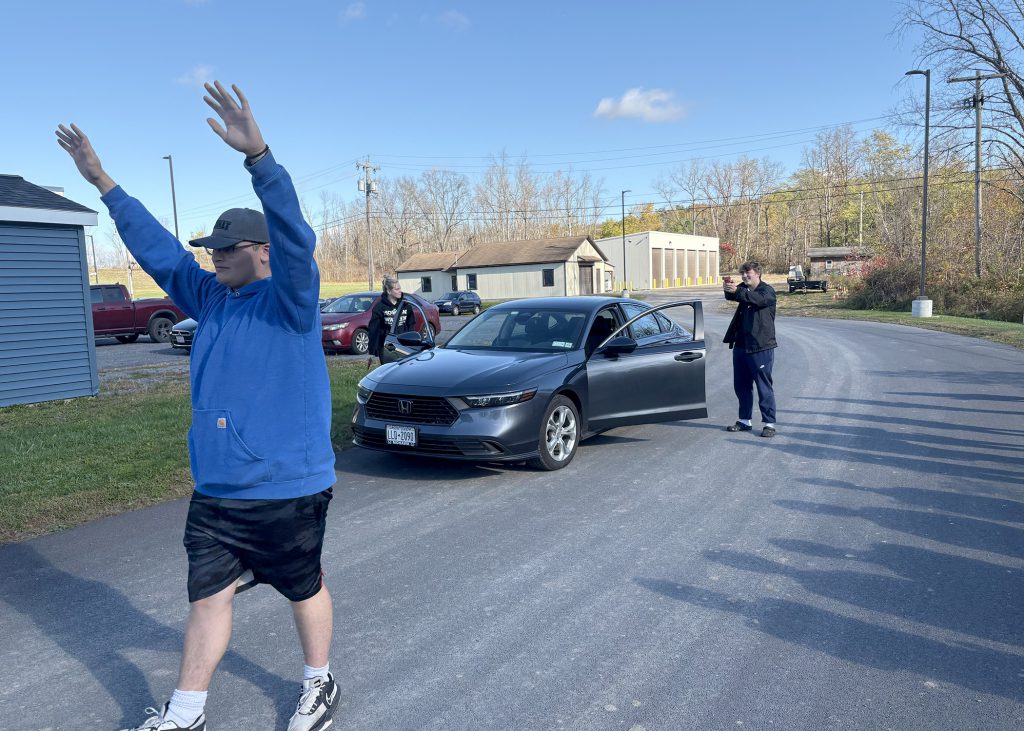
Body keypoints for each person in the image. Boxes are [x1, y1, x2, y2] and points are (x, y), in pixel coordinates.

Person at [57, 82, 338, 731]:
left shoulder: (290, 301)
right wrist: (103, 182)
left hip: (286, 487)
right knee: (208, 598)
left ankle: (318, 682)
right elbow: (158, 249)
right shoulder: (211, 296)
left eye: (227, 248)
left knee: (303, 587)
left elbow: (295, 236)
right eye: (211, 247)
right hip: (216, 489)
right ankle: (186, 713)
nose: (214, 256)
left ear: (262, 251)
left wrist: (260, 158)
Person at [723, 261, 778, 438]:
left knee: (764, 387)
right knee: (742, 386)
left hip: (761, 347)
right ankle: (744, 420)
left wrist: (738, 291)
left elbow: (757, 299)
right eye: (743, 273)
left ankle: (769, 424)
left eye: (748, 273)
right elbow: (733, 296)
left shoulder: (767, 291)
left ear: (758, 273)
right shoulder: (743, 289)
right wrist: (728, 288)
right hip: (741, 346)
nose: (745, 276)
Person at [365, 275, 415, 367]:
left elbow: (411, 325)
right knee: (389, 370)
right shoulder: (379, 307)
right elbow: (374, 331)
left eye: (400, 288)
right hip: (386, 347)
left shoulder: (406, 305)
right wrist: (371, 352)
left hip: (403, 346)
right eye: (397, 289)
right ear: (389, 291)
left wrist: (411, 343)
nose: (400, 291)